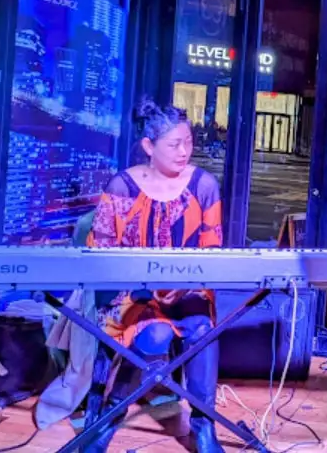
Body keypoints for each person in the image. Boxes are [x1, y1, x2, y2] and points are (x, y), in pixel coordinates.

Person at [84, 99, 224, 453]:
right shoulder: (122, 187)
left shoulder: (204, 186)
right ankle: (110, 416)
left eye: (188, 142)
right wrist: (142, 284)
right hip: (131, 294)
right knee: (156, 333)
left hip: (185, 291)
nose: (184, 151)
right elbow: (99, 253)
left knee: (202, 327)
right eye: (174, 144)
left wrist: (185, 284)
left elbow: (212, 251)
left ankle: (203, 425)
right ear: (149, 146)